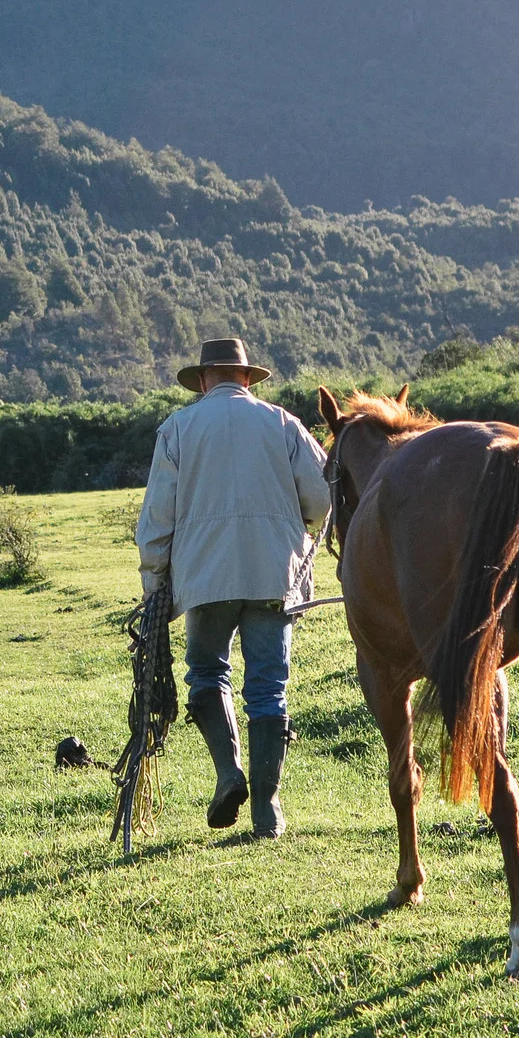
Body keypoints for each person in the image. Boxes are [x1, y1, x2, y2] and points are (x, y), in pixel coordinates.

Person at [135, 337, 333, 837]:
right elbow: (321, 499)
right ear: (247, 377)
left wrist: (154, 584)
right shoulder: (284, 424)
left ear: (203, 380)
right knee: (268, 687)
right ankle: (268, 808)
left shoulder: (177, 429)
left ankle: (228, 774)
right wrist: (297, 524)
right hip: (274, 576)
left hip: (205, 578)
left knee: (206, 671)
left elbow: (157, 520)